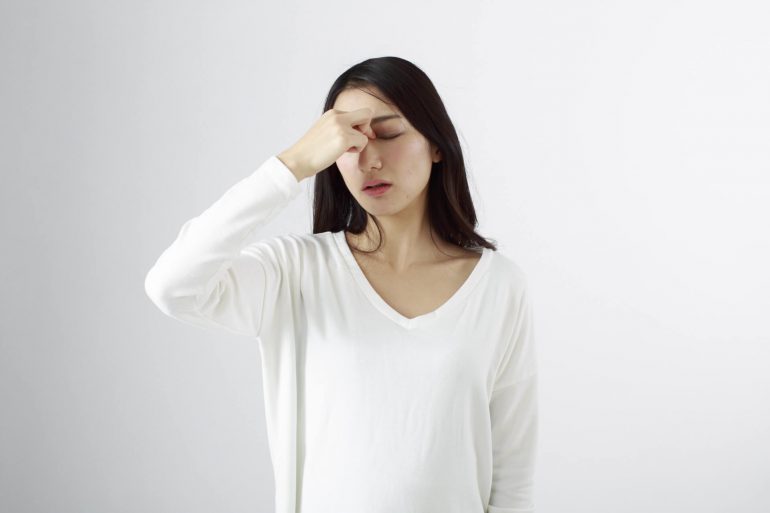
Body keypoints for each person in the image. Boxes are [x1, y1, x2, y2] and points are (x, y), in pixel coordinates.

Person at [144, 56, 538, 513]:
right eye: (348, 143)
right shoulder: (295, 272)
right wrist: (292, 164)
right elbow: (173, 286)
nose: (369, 160)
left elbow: (512, 478)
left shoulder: (498, 286)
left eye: (388, 134)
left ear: (436, 144)